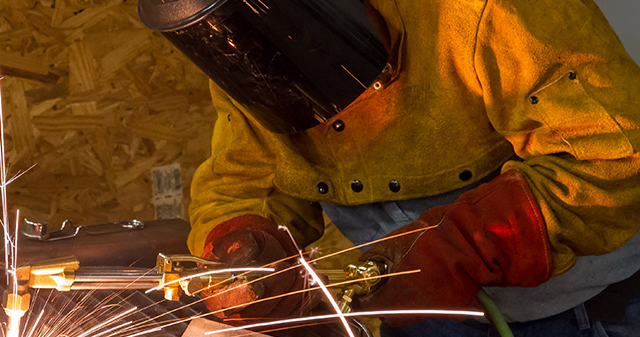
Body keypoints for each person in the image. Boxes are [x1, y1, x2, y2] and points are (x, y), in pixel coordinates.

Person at [139, 0, 640, 336]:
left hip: (585, 303)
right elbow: (245, 180)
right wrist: (244, 245)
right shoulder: (243, 52)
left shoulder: (482, 12)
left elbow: (618, 154)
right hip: (413, 308)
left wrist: (460, 246)